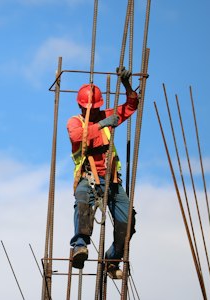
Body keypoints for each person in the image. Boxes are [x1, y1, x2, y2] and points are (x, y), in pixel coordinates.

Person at [66, 67, 138, 279]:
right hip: (88, 178)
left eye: (96, 108)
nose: (94, 111)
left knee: (128, 224)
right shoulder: (75, 122)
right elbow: (77, 136)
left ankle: (112, 259)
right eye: (91, 108)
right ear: (81, 106)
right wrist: (101, 124)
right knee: (82, 202)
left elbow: (131, 106)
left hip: (112, 181)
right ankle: (80, 245)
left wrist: (126, 86)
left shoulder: (106, 116)